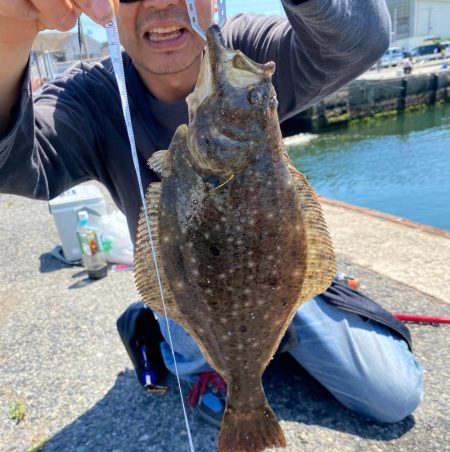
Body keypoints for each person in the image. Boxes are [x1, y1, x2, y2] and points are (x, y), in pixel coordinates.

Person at [0, 0, 423, 430]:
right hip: (187, 288)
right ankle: (162, 332)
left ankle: (261, 349)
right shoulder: (93, 97)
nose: (161, 2)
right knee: (191, 352)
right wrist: (8, 30)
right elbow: (12, 164)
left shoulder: (246, 52)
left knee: (394, 394)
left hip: (275, 278)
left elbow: (362, 40)